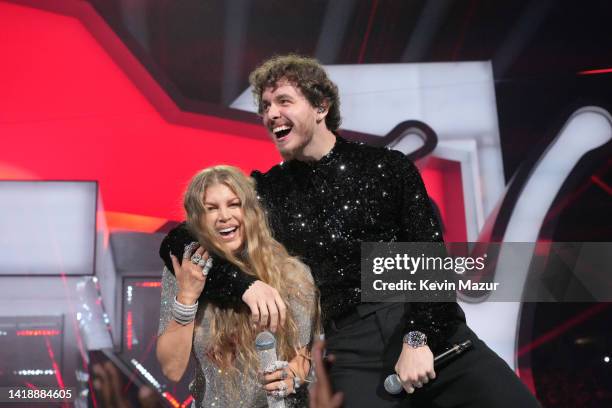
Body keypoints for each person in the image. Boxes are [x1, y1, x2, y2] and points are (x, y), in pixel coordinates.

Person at [160, 55, 541, 407]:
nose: (271, 114)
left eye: (283, 102)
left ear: (321, 106)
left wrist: (417, 339)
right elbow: (180, 239)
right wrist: (244, 284)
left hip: (428, 329)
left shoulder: (386, 167)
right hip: (352, 351)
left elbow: (430, 265)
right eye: (265, 107)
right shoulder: (268, 192)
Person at [156, 165, 317, 407]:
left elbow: (302, 359)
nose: (224, 216)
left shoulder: (292, 274)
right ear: (198, 220)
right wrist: (188, 295)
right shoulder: (186, 272)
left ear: (251, 211)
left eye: (234, 204)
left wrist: (291, 376)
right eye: (211, 209)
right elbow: (172, 370)